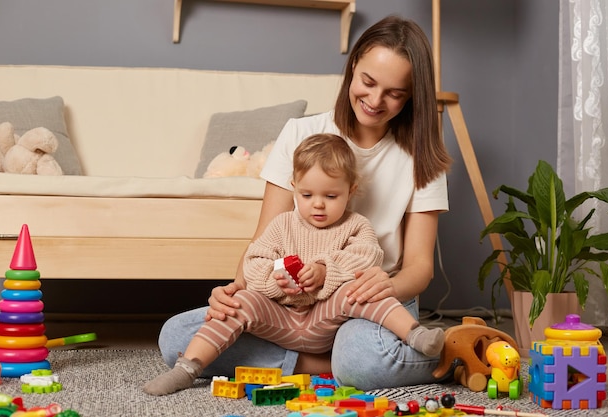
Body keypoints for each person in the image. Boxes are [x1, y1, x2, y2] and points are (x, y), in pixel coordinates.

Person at [157, 15, 452, 391]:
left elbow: (419, 268)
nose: (376, 101)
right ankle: (325, 363)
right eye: (368, 82)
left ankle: (445, 353)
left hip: (370, 298)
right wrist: (235, 290)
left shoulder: (421, 157)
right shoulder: (300, 132)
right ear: (353, 65)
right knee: (175, 338)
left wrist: (380, 289)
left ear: (412, 96)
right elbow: (265, 239)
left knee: (360, 357)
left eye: (395, 93)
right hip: (289, 303)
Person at [143, 134, 444, 396]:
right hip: (282, 319)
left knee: (360, 290)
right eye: (307, 194)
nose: (318, 204)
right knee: (240, 301)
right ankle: (187, 368)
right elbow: (255, 260)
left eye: (330, 195)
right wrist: (277, 281)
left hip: (326, 320)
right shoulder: (282, 224)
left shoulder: (356, 226)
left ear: (351, 191)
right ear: (294, 187)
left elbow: (367, 257)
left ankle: (414, 334)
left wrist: (326, 271)